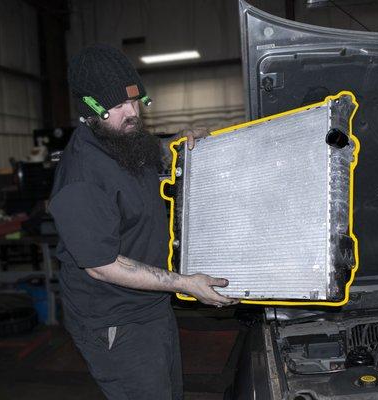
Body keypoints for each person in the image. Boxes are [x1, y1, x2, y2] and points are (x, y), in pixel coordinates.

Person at [49, 44, 237, 400]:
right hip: (114, 319)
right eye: (118, 106)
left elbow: (152, 155)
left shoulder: (121, 139)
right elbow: (103, 267)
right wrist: (185, 283)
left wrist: (183, 139)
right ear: (90, 109)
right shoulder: (81, 179)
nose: (131, 113)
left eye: (135, 102)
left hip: (150, 305)